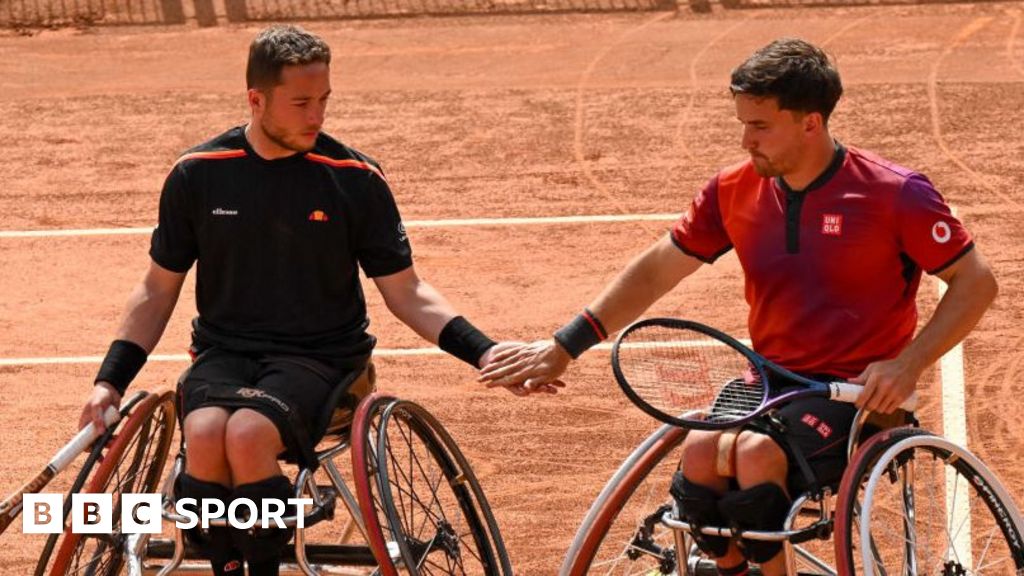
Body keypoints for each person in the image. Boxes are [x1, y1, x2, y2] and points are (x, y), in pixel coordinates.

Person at [479, 37, 998, 575]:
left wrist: (908, 363)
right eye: (742, 123)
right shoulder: (732, 190)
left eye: (760, 126)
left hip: (857, 394)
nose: (745, 140)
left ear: (810, 123)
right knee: (701, 456)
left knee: (752, 458)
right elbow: (659, 268)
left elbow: (976, 282)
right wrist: (566, 345)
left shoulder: (895, 193)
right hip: (769, 381)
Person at [77, 24, 529, 576]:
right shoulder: (197, 174)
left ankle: (259, 565)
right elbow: (156, 289)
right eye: (301, 103)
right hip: (224, 354)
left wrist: (483, 351)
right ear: (256, 98)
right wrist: (110, 379)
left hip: (323, 359)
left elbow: (407, 292)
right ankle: (229, 559)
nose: (317, 116)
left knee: (245, 433)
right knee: (201, 431)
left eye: (323, 100)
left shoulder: (354, 178)